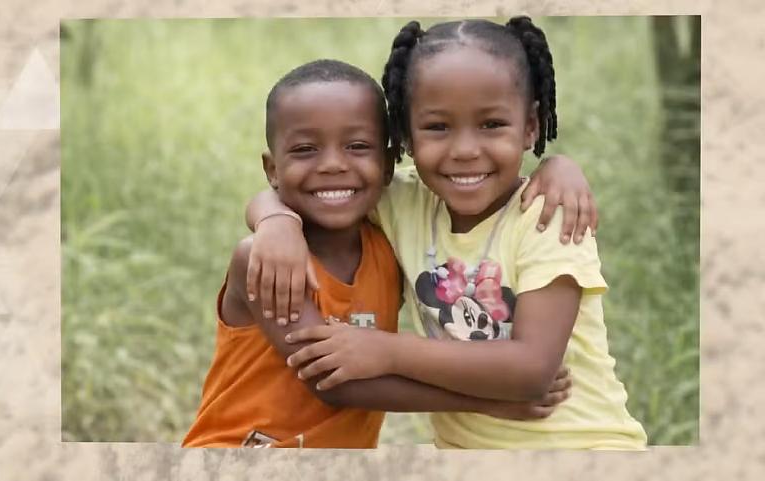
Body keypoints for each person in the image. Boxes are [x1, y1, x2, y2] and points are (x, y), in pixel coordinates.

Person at [247, 17, 647, 449]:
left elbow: (532, 370)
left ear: (530, 126)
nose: (465, 151)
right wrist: (275, 220)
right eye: (438, 127)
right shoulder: (406, 205)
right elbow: (313, 188)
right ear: (404, 136)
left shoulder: (548, 216)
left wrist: (386, 350)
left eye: (491, 124)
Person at [182, 59, 572, 449]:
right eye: (304, 149)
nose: (333, 165)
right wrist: (490, 403)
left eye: (357, 147)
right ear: (272, 169)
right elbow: (333, 381)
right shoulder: (262, 258)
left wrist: (558, 167)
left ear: (387, 165)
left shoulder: (388, 247)